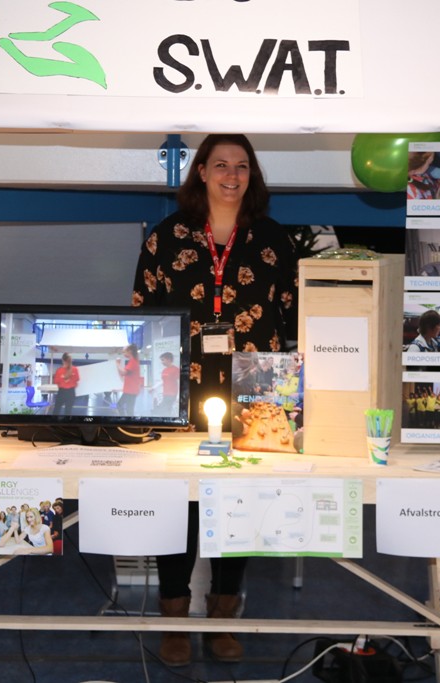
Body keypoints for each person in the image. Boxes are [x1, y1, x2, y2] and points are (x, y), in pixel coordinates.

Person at [131, 133, 298, 666]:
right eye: (221, 164)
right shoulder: (167, 236)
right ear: (200, 171)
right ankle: (174, 617)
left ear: (252, 175)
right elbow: (143, 313)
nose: (232, 175)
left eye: (242, 166)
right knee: (180, 502)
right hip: (181, 383)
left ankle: (224, 614)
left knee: (239, 499)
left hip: (255, 386)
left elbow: (294, 314)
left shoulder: (273, 238)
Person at [116, 344, 142, 415]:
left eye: (124, 352)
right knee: (127, 408)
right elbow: (123, 374)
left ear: (130, 351)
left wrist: (117, 364)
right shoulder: (132, 361)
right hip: (130, 390)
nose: (123, 354)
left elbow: (123, 372)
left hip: (131, 391)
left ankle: (125, 419)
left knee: (126, 408)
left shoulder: (133, 362)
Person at [153, 351, 180, 416]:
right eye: (161, 360)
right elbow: (163, 381)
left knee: (164, 410)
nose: (162, 362)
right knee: (166, 410)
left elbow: (180, 382)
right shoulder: (164, 370)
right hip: (165, 393)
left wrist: (178, 396)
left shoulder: (176, 370)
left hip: (172, 394)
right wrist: (153, 388)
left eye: (163, 360)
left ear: (169, 359)